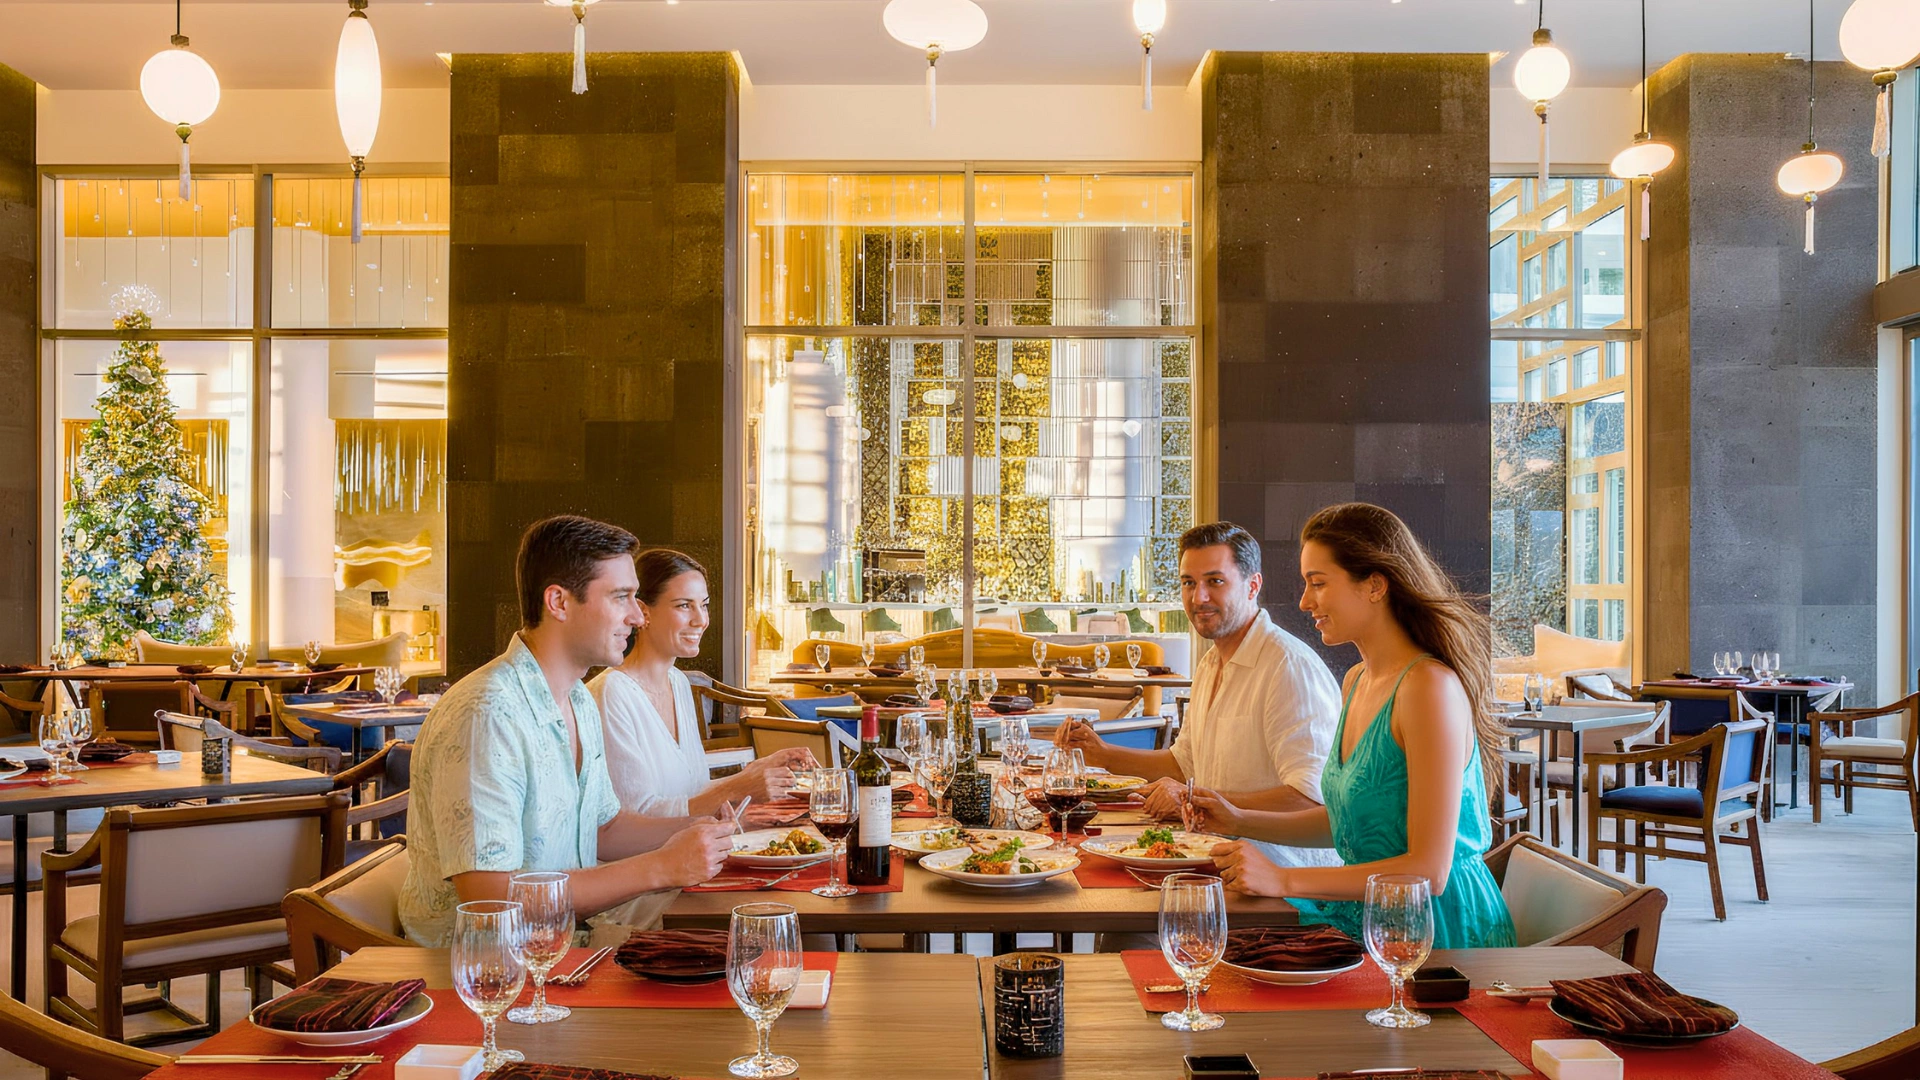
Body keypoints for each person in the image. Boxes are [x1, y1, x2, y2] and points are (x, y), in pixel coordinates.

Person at [399, 515, 735, 947]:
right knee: (730, 956)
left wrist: (702, 828)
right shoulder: (487, 713)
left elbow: (604, 828)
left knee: (745, 933)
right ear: (558, 602)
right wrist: (662, 867)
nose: (637, 616)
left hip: (563, 946)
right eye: (621, 597)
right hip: (480, 975)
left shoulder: (577, 698)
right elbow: (488, 902)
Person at [1193, 502, 1517, 950]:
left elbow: (1429, 872)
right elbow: (1351, 822)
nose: (1305, 601)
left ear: (1374, 586)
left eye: (1318, 584)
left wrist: (1282, 878)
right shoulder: (1358, 679)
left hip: (1437, 939)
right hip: (1368, 918)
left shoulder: (1427, 688)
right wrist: (1240, 820)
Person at [1054, 521, 1341, 869]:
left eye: (1215, 582)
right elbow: (1182, 764)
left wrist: (1194, 800)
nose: (1198, 597)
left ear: (1253, 586)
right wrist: (1100, 753)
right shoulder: (1210, 662)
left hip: (1280, 879)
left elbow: (1311, 799)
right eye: (1188, 583)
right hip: (1210, 857)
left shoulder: (1288, 667)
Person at [590, 548, 816, 818]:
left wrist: (756, 771)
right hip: (650, 859)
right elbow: (633, 819)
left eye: (704, 605)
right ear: (642, 611)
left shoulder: (678, 684)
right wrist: (738, 786)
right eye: (684, 605)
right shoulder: (611, 694)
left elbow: (691, 792)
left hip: (691, 853)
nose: (701, 620)